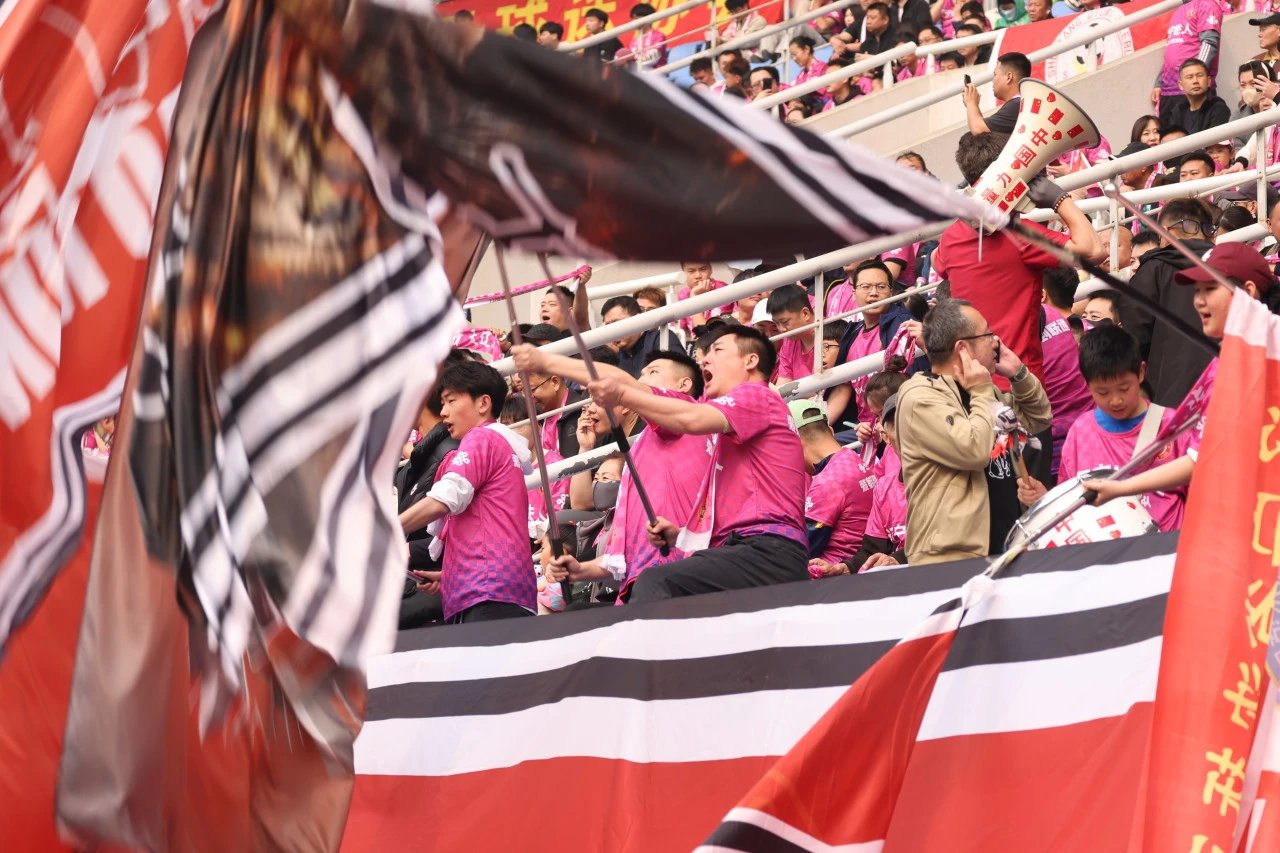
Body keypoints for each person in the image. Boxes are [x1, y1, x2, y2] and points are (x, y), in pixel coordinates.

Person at [585, 326, 808, 600]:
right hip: (739, 550)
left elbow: (683, 415)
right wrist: (679, 535)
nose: (705, 359)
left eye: (717, 350)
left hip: (765, 549)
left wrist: (549, 363)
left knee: (656, 582)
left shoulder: (753, 396)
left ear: (751, 360)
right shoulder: (728, 429)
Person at [1086, 242, 1280, 506]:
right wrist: (1121, 487)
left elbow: (1201, 458)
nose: (1198, 301)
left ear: (1247, 292)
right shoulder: (1233, 356)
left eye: (1210, 289)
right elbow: (1201, 455)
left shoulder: (1256, 358)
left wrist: (1121, 487)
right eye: (1196, 290)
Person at [518, 347, 712, 601]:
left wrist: (546, 361)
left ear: (683, 385)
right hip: (639, 585)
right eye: (640, 375)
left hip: (676, 580)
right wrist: (580, 570)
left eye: (652, 372)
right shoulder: (642, 445)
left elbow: (621, 382)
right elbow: (620, 553)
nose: (641, 380)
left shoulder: (685, 413)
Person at [937, 131, 1102, 389]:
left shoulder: (950, 237)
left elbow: (938, 263)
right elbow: (1095, 251)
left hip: (971, 383)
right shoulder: (1022, 237)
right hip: (1019, 384)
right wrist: (1059, 199)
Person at [895, 300, 1051, 564]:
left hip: (1008, 545)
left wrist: (1018, 374)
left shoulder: (985, 392)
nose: (995, 342)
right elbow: (973, 451)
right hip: (952, 556)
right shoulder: (919, 397)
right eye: (987, 334)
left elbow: (1038, 419)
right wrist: (981, 390)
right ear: (963, 348)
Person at [400, 362, 536, 624]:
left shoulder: (481, 438)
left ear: (483, 403)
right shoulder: (500, 444)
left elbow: (445, 499)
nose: (443, 411)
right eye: (442, 403)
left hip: (488, 594)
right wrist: (449, 576)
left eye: (451, 401)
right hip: (500, 592)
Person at [1018, 326, 1190, 531]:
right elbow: (1073, 504)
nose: (1116, 400)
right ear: (1087, 384)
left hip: (1168, 544)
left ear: (1141, 372)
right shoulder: (1081, 432)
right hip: (1106, 546)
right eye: (1103, 392)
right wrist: (1044, 498)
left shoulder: (1173, 426)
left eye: (1124, 388)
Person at [1118, 198, 1218, 406]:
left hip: (1168, 396)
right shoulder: (1229, 267)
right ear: (1207, 231)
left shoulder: (1152, 269)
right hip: (1226, 389)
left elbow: (1134, 336)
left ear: (1164, 232)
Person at [790, 400, 877, 568]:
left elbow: (803, 549)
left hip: (833, 570)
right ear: (830, 430)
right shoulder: (852, 458)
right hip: (858, 562)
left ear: (795, 443)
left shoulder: (829, 481)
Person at [832, 259, 915, 426]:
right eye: (866, 287)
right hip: (862, 427)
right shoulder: (852, 332)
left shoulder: (902, 325)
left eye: (881, 287)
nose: (874, 293)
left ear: (891, 292)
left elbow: (910, 382)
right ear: (853, 293)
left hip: (896, 422)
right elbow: (843, 388)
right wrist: (824, 425)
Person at [1039, 272, 1092, 482]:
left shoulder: (1031, 320)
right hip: (1092, 444)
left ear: (1041, 295)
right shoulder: (1091, 331)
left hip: (1053, 460)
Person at [1151, 0, 1229, 127]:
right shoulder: (1178, 10)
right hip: (1169, 91)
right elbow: (1172, 49)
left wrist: (1195, 75)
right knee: (1168, 136)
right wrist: (1159, 82)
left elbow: (1209, 43)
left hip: (1192, 91)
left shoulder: (1207, 5)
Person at [599, 295, 683, 377]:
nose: (612, 331)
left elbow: (679, 376)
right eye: (608, 326)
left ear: (637, 319)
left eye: (616, 323)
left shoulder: (661, 339)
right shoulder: (615, 353)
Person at [964, 52, 1030, 136]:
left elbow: (978, 130)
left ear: (1008, 77)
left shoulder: (1017, 104)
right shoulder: (1022, 102)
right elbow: (986, 133)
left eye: (995, 74)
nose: (993, 80)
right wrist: (973, 105)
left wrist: (971, 102)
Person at [1165, 59, 1231, 137]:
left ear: (1209, 81)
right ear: (1181, 85)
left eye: (1199, 75)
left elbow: (1214, 140)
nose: (1195, 81)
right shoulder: (1178, 111)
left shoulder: (1218, 108)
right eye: (1190, 77)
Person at [768, 284, 820, 383]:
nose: (781, 329)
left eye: (784, 322)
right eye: (776, 323)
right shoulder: (788, 342)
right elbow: (783, 383)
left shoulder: (831, 336)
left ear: (805, 314)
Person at [615, 3, 668, 69]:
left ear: (649, 18)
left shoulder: (658, 36)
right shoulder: (634, 41)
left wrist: (634, 65)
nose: (634, 22)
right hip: (638, 72)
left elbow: (653, 59)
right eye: (633, 19)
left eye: (637, 18)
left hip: (656, 72)